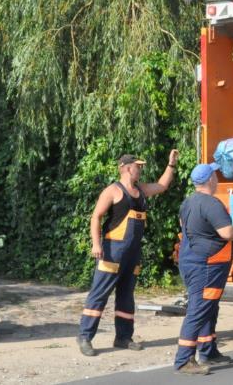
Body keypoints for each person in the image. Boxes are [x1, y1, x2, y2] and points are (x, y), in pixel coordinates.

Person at [77, 150, 179, 357]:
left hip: (132, 253)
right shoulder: (112, 191)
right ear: (125, 168)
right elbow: (96, 217)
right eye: (137, 166)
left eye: (141, 166)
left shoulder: (140, 190)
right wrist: (96, 244)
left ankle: (123, 337)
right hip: (112, 251)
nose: (140, 169)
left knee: (126, 297)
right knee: (99, 295)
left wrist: (171, 164)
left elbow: (162, 186)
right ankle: (85, 337)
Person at [173, 162, 233, 375]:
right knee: (198, 310)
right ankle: (183, 360)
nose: (217, 178)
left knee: (208, 307)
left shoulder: (188, 202)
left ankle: (208, 351)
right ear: (209, 180)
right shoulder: (211, 203)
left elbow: (183, 225)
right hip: (207, 266)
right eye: (215, 175)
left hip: (193, 261)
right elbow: (226, 232)